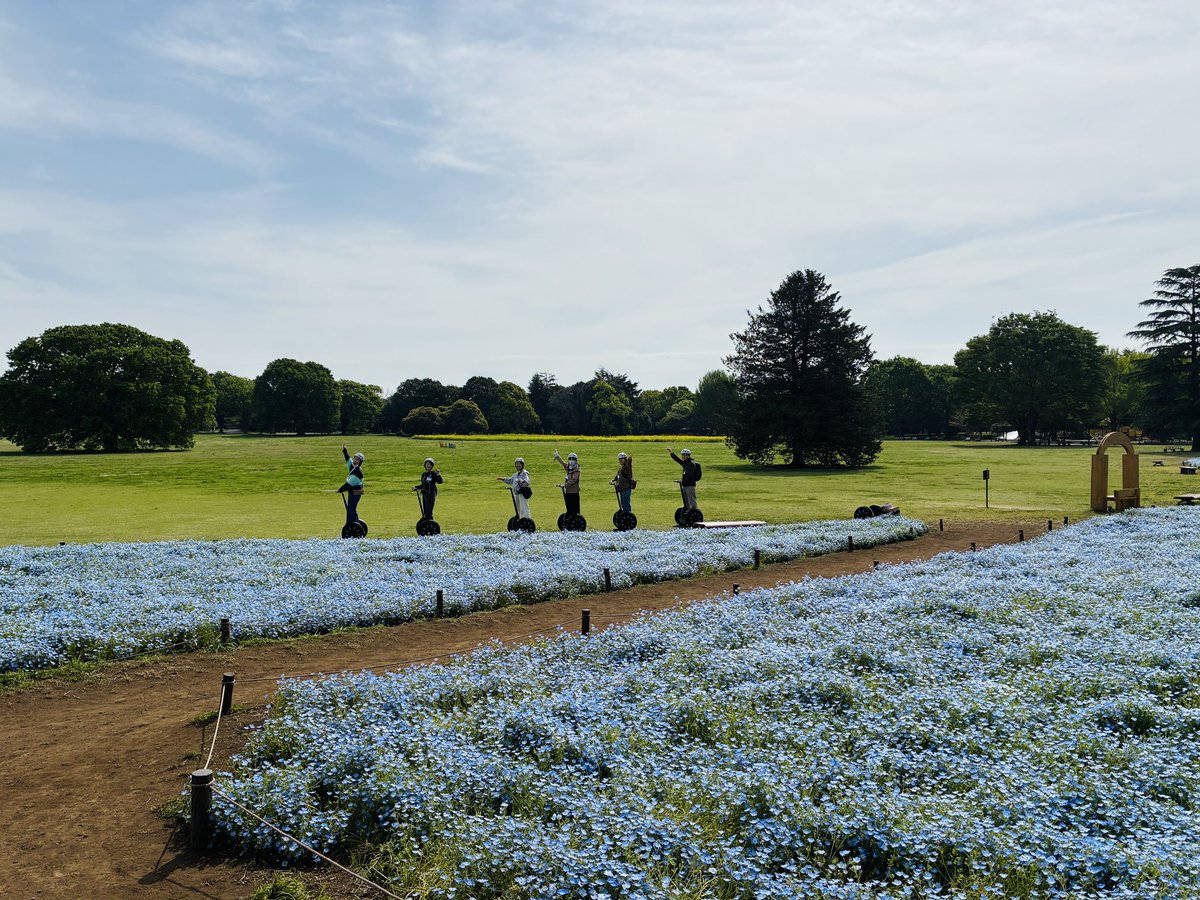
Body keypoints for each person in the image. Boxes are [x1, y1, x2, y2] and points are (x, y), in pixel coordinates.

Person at [338, 446, 365, 527]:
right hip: (353, 492)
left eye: (357, 459)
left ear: (360, 462)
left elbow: (349, 484)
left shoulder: (357, 471)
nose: (355, 460)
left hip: (355, 493)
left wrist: (341, 489)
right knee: (351, 509)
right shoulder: (353, 468)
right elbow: (348, 460)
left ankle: (352, 524)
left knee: (351, 509)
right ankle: (355, 523)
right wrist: (345, 452)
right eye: (355, 458)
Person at [668, 446, 701, 511]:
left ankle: (695, 513)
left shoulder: (691, 464)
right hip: (685, 485)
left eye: (685, 455)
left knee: (692, 500)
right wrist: (671, 453)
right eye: (683, 455)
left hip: (690, 485)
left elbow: (689, 475)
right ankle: (688, 514)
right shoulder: (685, 463)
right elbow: (678, 460)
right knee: (686, 501)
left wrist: (682, 480)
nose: (683, 456)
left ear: (688, 456)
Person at [553, 448, 581, 518]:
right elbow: (562, 463)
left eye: (573, 460)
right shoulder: (569, 467)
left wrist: (565, 485)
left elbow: (573, 480)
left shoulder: (577, 470)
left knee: (575, 509)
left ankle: (576, 520)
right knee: (569, 508)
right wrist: (557, 456)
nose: (571, 461)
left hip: (574, 492)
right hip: (568, 492)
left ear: (576, 461)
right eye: (570, 459)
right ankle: (569, 520)